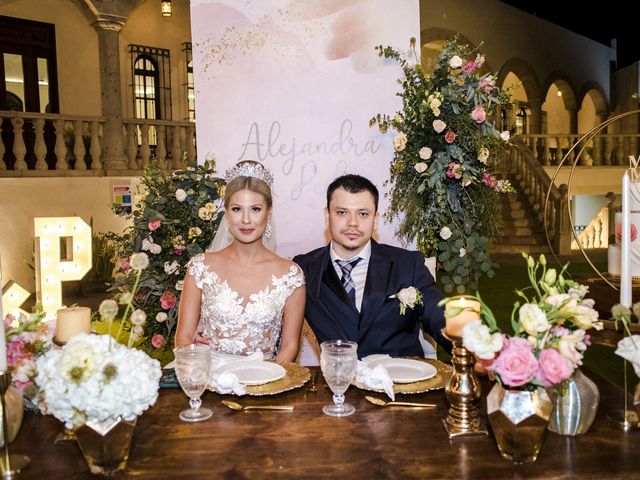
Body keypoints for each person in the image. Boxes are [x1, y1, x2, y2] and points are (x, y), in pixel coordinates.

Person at [293, 174, 449, 358]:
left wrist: (470, 344)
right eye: (342, 212)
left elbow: (439, 317)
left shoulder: (408, 264)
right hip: (340, 382)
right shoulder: (304, 268)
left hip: (401, 380)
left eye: (363, 214)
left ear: (375, 219)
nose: (353, 223)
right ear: (327, 216)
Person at [175, 160, 306, 362]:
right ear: (227, 214)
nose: (246, 220)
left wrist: (267, 379)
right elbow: (183, 338)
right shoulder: (200, 268)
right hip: (210, 378)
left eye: (255, 209)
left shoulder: (290, 275)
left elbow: (289, 347)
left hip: (267, 379)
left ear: (268, 213)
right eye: (237, 209)